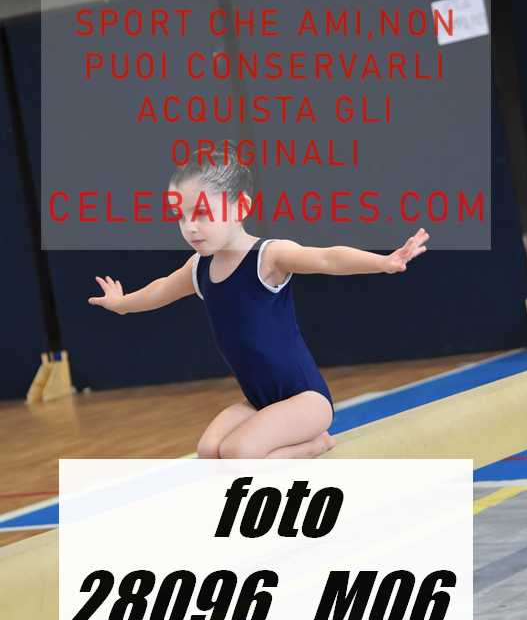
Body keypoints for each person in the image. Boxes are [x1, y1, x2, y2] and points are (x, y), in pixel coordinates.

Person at [88, 142, 429, 459]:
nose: (190, 227)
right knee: (208, 451)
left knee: (238, 452)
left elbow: (327, 258)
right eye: (181, 216)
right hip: (259, 402)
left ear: (240, 208)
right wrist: (122, 303)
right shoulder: (199, 268)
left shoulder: (268, 257)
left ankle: (315, 444)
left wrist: (383, 262)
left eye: (202, 213)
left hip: (306, 401)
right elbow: (160, 290)